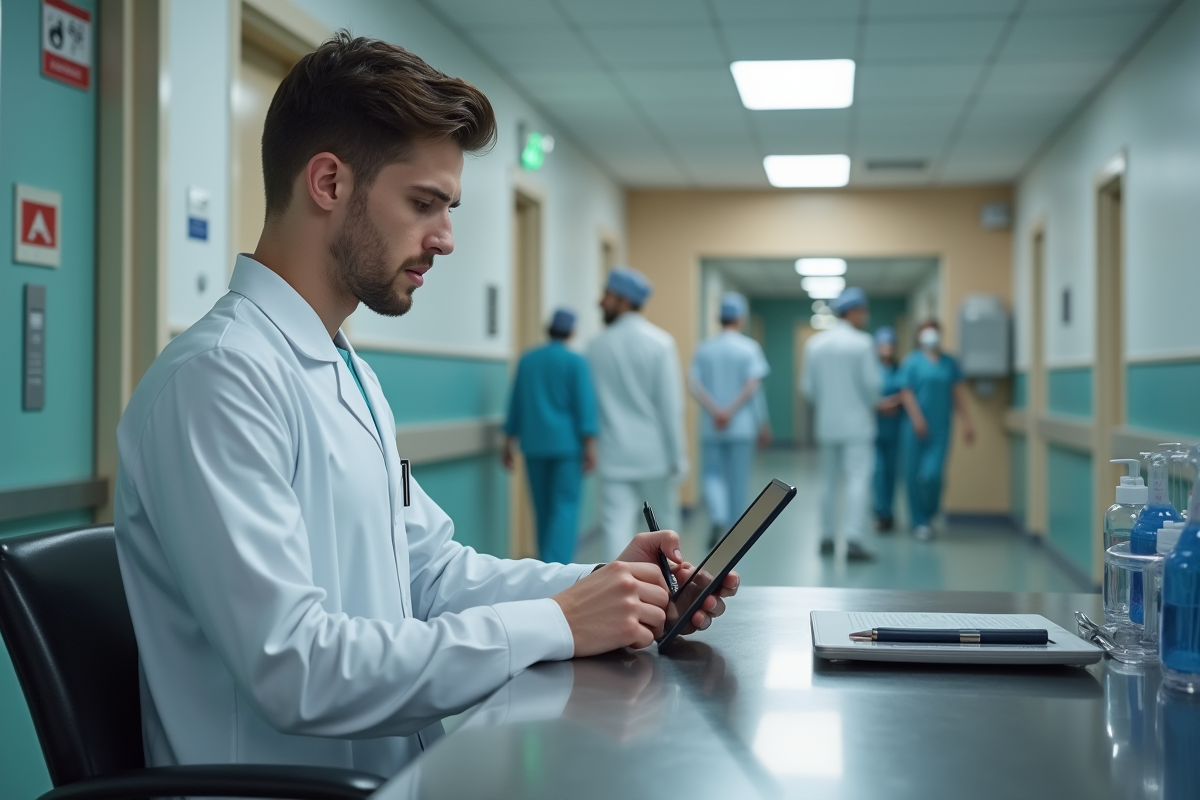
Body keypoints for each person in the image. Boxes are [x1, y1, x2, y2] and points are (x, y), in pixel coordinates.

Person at [112, 34, 738, 778]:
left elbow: (432, 574)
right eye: (423, 204)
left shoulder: (343, 369)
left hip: (390, 776)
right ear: (328, 183)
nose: (444, 238)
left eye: (448, 207)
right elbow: (296, 668)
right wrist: (557, 623)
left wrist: (604, 587)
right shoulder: (218, 381)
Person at [587, 267, 689, 560]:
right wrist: (679, 457)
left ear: (623, 299)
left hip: (613, 454)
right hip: (654, 454)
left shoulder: (595, 346)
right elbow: (671, 407)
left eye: (606, 295)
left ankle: (616, 590)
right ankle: (670, 591)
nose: (600, 302)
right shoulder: (660, 343)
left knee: (614, 526)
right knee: (664, 528)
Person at [502, 308, 597, 564]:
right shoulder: (576, 362)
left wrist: (508, 442)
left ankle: (544, 565)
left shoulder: (527, 360)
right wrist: (590, 446)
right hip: (567, 447)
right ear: (572, 332)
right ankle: (559, 567)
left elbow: (516, 403)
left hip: (533, 445)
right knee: (564, 507)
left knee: (542, 509)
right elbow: (584, 407)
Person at [800, 287, 881, 561]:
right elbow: (873, 387)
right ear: (854, 312)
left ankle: (826, 538)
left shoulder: (815, 344)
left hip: (827, 424)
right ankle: (854, 540)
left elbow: (808, 389)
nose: (865, 317)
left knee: (827, 482)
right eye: (863, 311)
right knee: (858, 480)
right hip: (857, 425)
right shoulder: (863, 343)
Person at [689, 292, 771, 545]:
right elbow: (752, 386)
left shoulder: (704, 348)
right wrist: (754, 419)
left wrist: (716, 410)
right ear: (740, 318)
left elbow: (693, 383)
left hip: (712, 426)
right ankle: (736, 531)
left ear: (719, 317)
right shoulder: (749, 348)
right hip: (741, 427)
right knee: (738, 478)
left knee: (712, 475)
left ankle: (717, 516)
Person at [898, 319, 976, 541]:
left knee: (933, 475)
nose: (930, 335)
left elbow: (957, 393)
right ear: (918, 335)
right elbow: (906, 392)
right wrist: (917, 418)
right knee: (913, 476)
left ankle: (930, 512)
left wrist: (967, 422)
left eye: (933, 330)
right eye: (924, 331)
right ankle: (919, 521)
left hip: (941, 426)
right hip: (914, 426)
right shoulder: (911, 362)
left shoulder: (949, 362)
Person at [872, 326, 904, 532]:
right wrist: (879, 405)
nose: (887, 348)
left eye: (891, 344)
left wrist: (896, 402)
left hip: (895, 429)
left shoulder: (900, 369)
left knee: (891, 473)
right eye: (883, 344)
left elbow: (907, 391)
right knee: (877, 471)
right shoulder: (871, 369)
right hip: (873, 429)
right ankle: (880, 512)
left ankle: (889, 512)